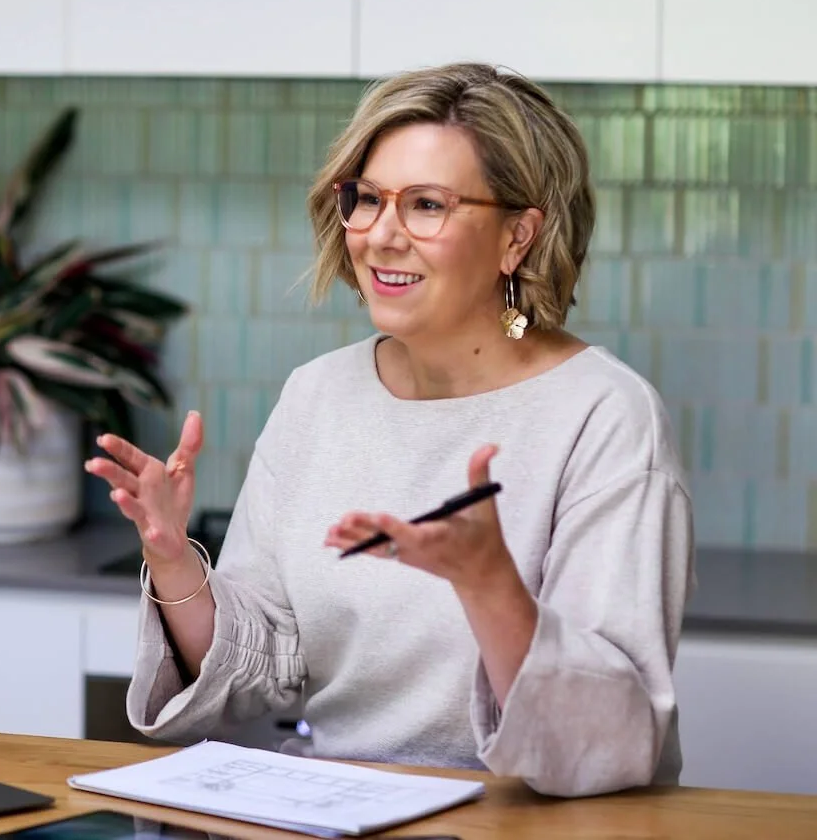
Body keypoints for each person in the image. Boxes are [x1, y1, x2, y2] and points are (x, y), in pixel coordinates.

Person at [84, 62, 695, 799]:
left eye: (427, 205)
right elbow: (264, 666)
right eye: (368, 199)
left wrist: (490, 585)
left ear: (518, 236)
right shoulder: (318, 395)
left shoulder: (605, 416)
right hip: (344, 811)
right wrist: (174, 561)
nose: (380, 234)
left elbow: (611, 743)